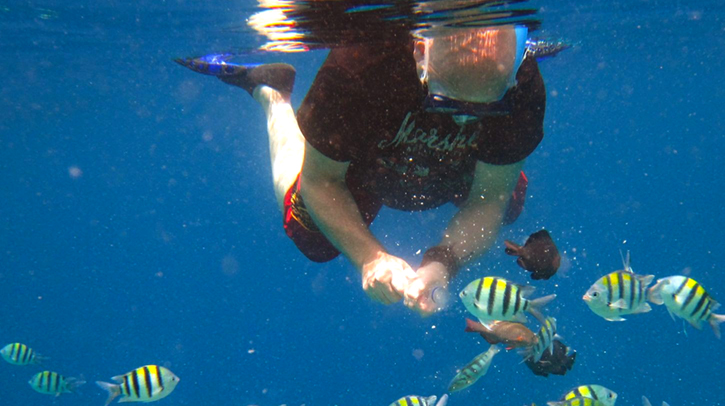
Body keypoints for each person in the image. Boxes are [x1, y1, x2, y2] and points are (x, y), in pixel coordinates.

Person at [177, 24, 545, 316]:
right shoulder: (360, 67)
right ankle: (272, 92)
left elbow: (487, 201)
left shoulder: (524, 89)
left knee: (509, 201)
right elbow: (321, 183)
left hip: (459, 165)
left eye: (484, 110)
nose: (464, 120)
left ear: (514, 73)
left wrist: (442, 264)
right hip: (368, 162)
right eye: (447, 104)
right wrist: (371, 259)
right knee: (312, 236)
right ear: (420, 53)